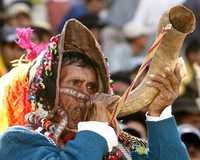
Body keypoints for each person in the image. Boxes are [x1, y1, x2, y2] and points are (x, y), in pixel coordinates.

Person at [0, 19, 189, 160]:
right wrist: (96, 129)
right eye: (75, 83)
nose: (86, 94)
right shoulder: (17, 140)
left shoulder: (121, 146)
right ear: (50, 93)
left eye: (91, 86)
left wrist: (159, 114)